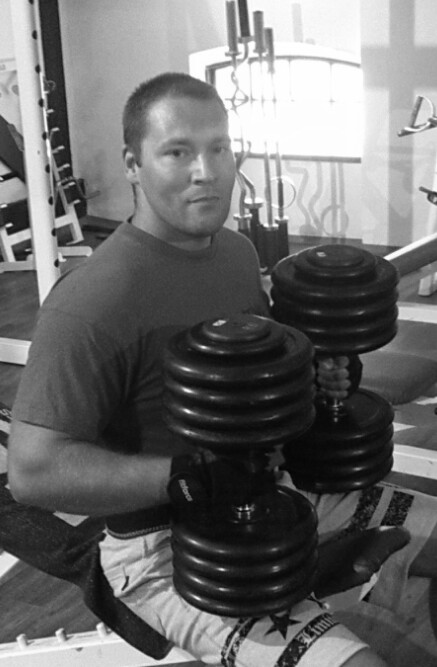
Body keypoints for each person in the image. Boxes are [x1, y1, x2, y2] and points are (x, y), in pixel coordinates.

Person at [6, 72, 437, 666]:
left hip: (278, 494)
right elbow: (33, 474)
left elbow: (256, 382)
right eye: (177, 152)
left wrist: (319, 381)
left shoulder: (236, 253)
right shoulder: (93, 300)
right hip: (166, 547)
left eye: (219, 148)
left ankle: (338, 570)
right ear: (133, 165)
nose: (206, 171)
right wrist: (189, 476)